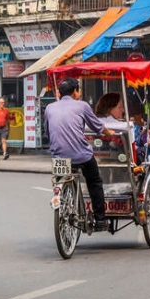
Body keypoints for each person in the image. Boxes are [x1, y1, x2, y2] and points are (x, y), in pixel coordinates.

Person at [44, 78, 108, 231]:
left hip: (58, 156)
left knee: (60, 181)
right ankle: (100, 220)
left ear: (59, 93)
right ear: (75, 92)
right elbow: (98, 127)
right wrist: (110, 133)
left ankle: (62, 196)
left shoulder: (49, 108)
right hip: (81, 155)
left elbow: (47, 131)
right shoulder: (82, 106)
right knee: (94, 182)